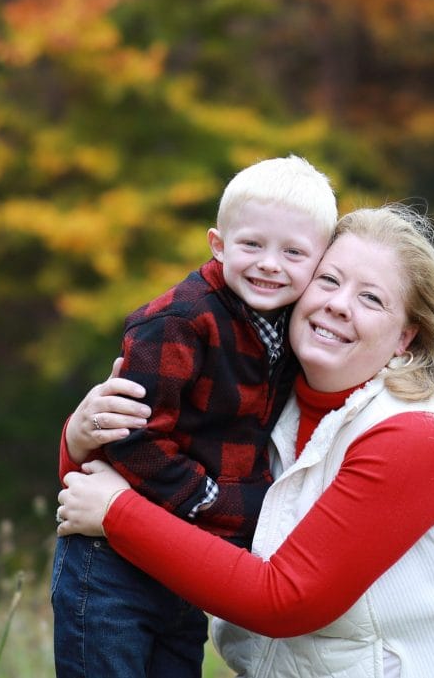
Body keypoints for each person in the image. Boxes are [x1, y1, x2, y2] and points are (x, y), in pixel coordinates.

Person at [57, 204, 434, 678]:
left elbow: (287, 600)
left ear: (406, 336)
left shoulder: (416, 436)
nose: (339, 305)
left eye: (371, 298)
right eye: (329, 280)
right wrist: (81, 438)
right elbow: (95, 496)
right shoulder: (264, 404)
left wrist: (117, 513)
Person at [51, 155, 337, 678]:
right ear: (218, 244)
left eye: (293, 252)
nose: (270, 264)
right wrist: (208, 500)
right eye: (252, 245)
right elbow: (130, 433)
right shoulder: (182, 321)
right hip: (113, 558)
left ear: (319, 264)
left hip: (186, 564)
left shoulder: (293, 329)